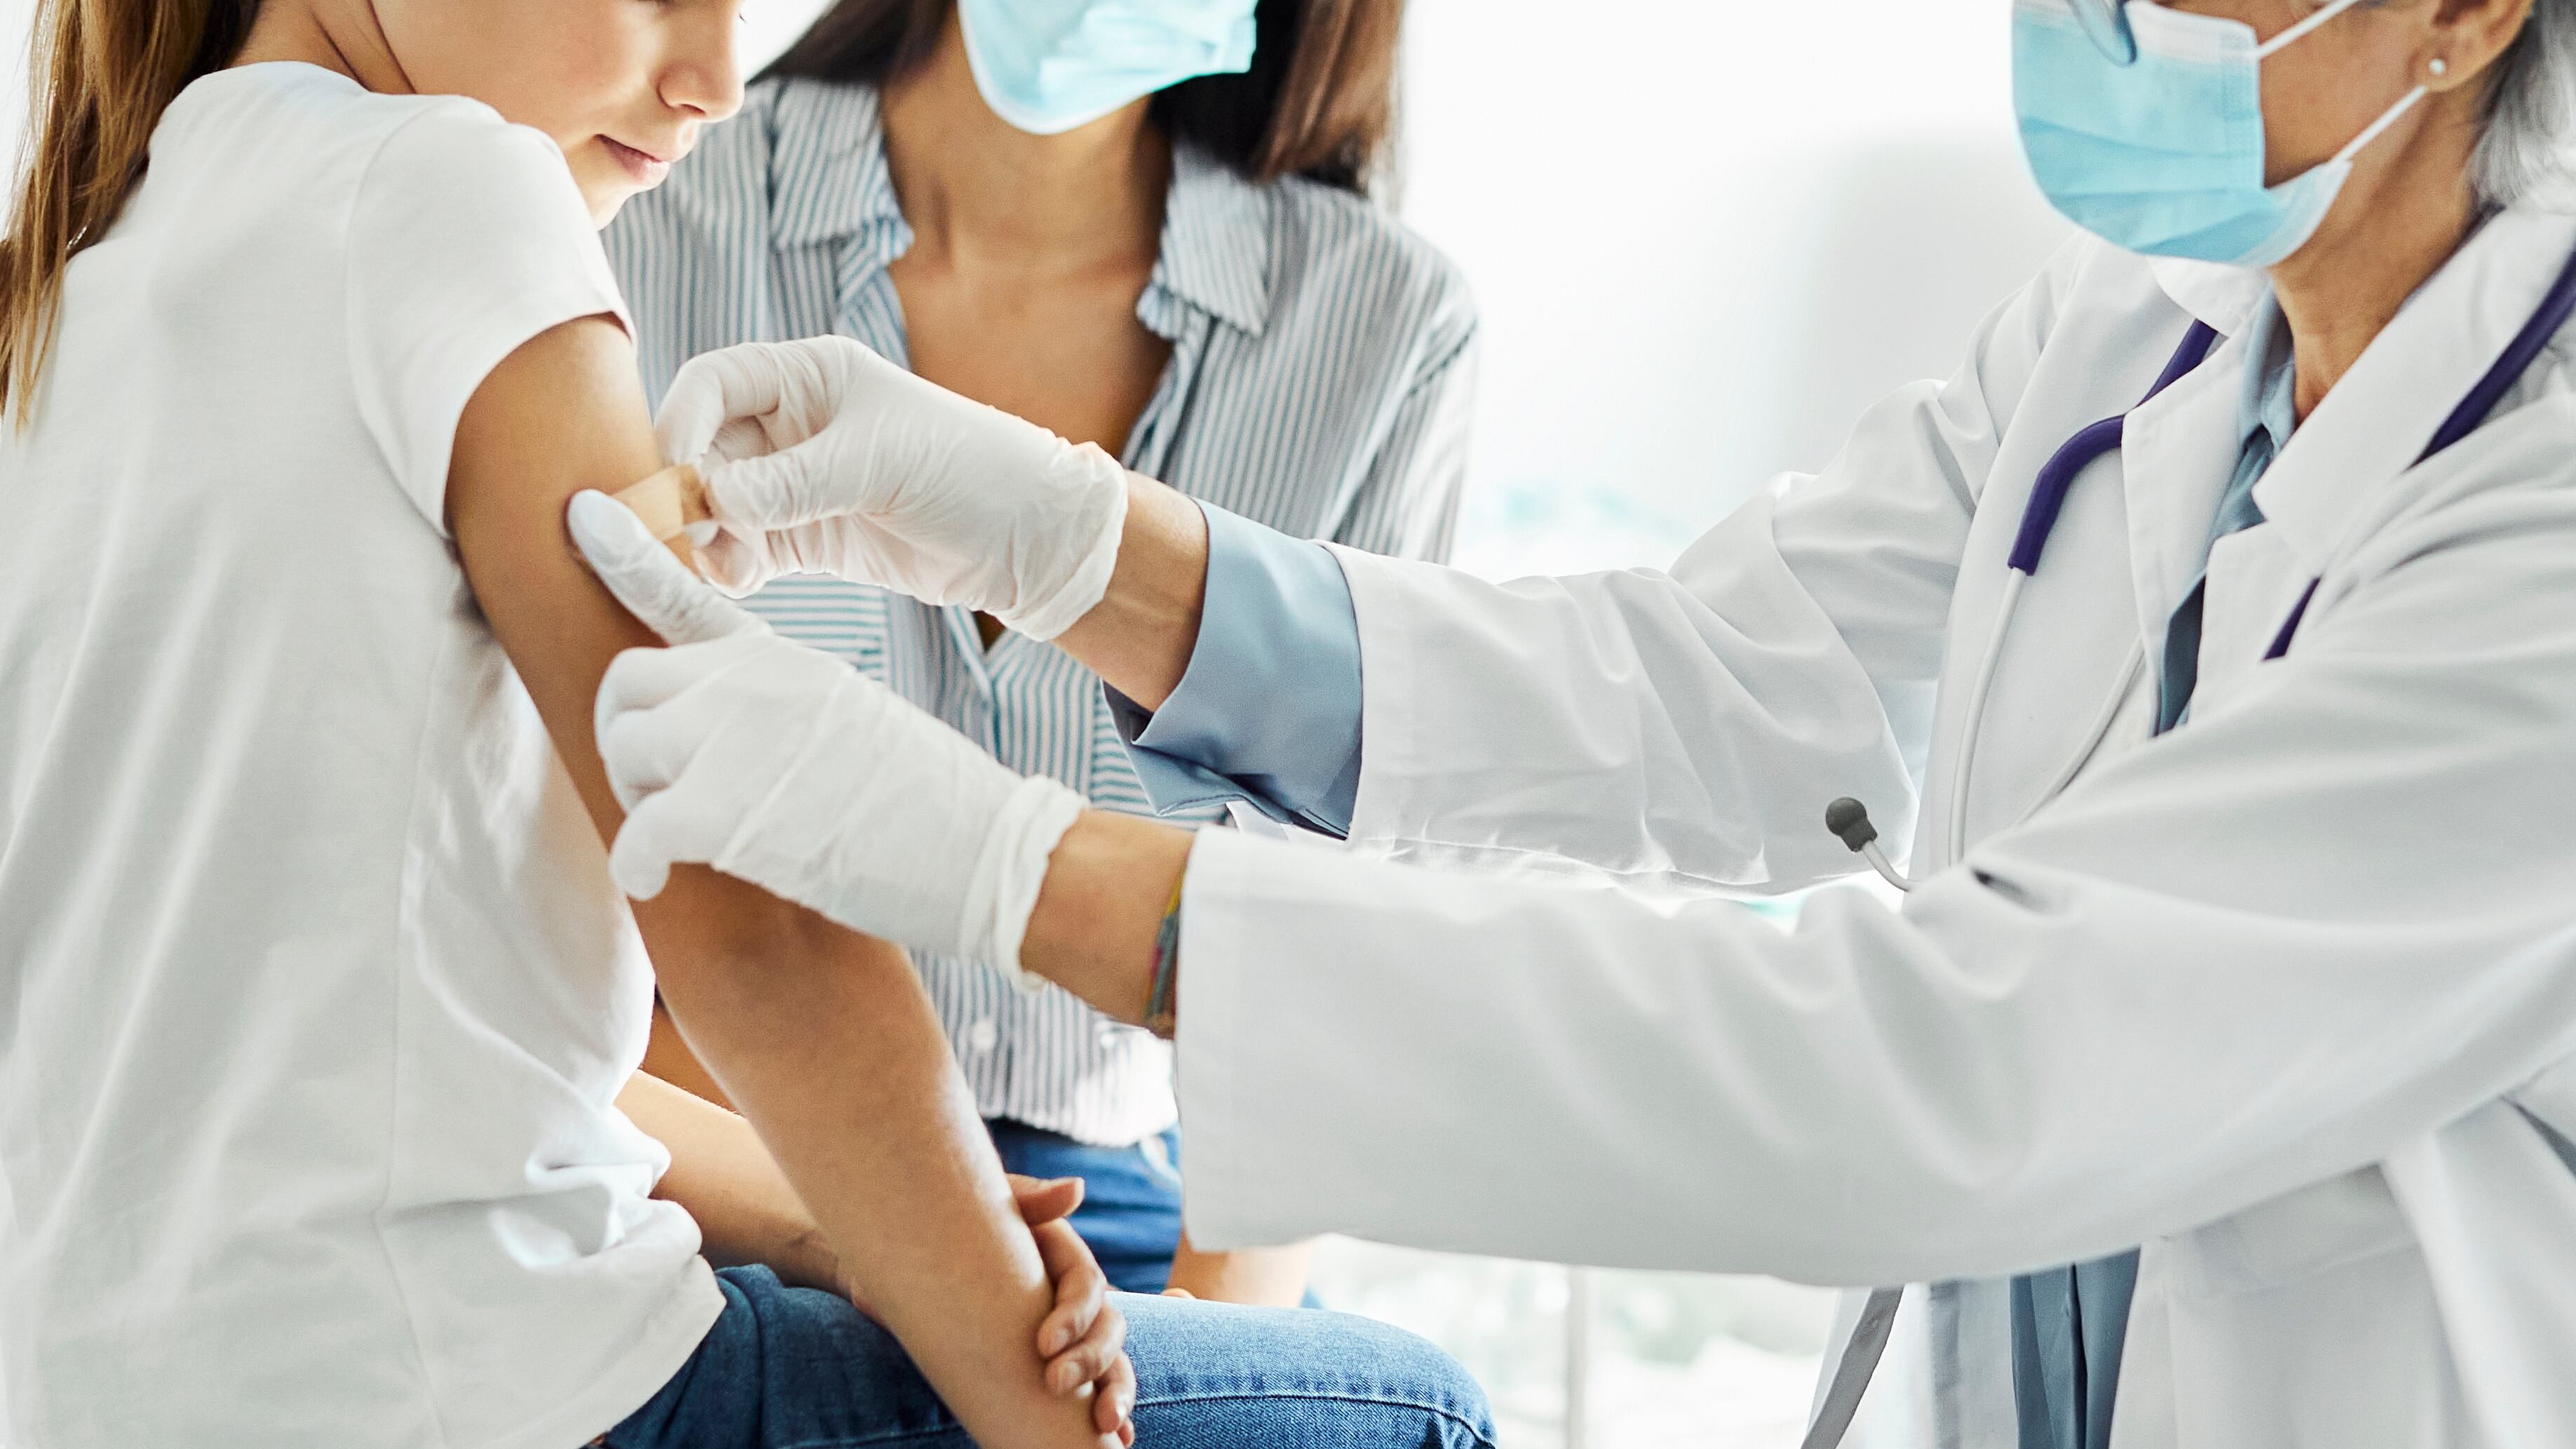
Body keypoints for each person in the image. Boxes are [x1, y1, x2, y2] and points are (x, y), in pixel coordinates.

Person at [571, 0, 2576, 1444]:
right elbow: (1701, 688)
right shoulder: (2135, 328)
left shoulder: (2543, 518)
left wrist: (1014, 866)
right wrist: (1073, 537)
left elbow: (1951, 1068)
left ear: (2469, 18)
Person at [0, 0, 1497, 1444]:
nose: (720, 73)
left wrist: (828, 1231)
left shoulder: (76, 267)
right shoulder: (461, 183)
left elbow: (375, 1049)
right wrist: (1047, 1416)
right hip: (485, 1376)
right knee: (1419, 1410)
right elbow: (750, 916)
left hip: (108, 1386)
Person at [603, 0, 1471, 1303]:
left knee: (1406, 1403)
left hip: (1112, 1200)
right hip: (705, 1165)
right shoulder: (651, 205)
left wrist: (1193, 1362)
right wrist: (905, 1247)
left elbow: (1328, 975)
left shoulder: (1380, 330)